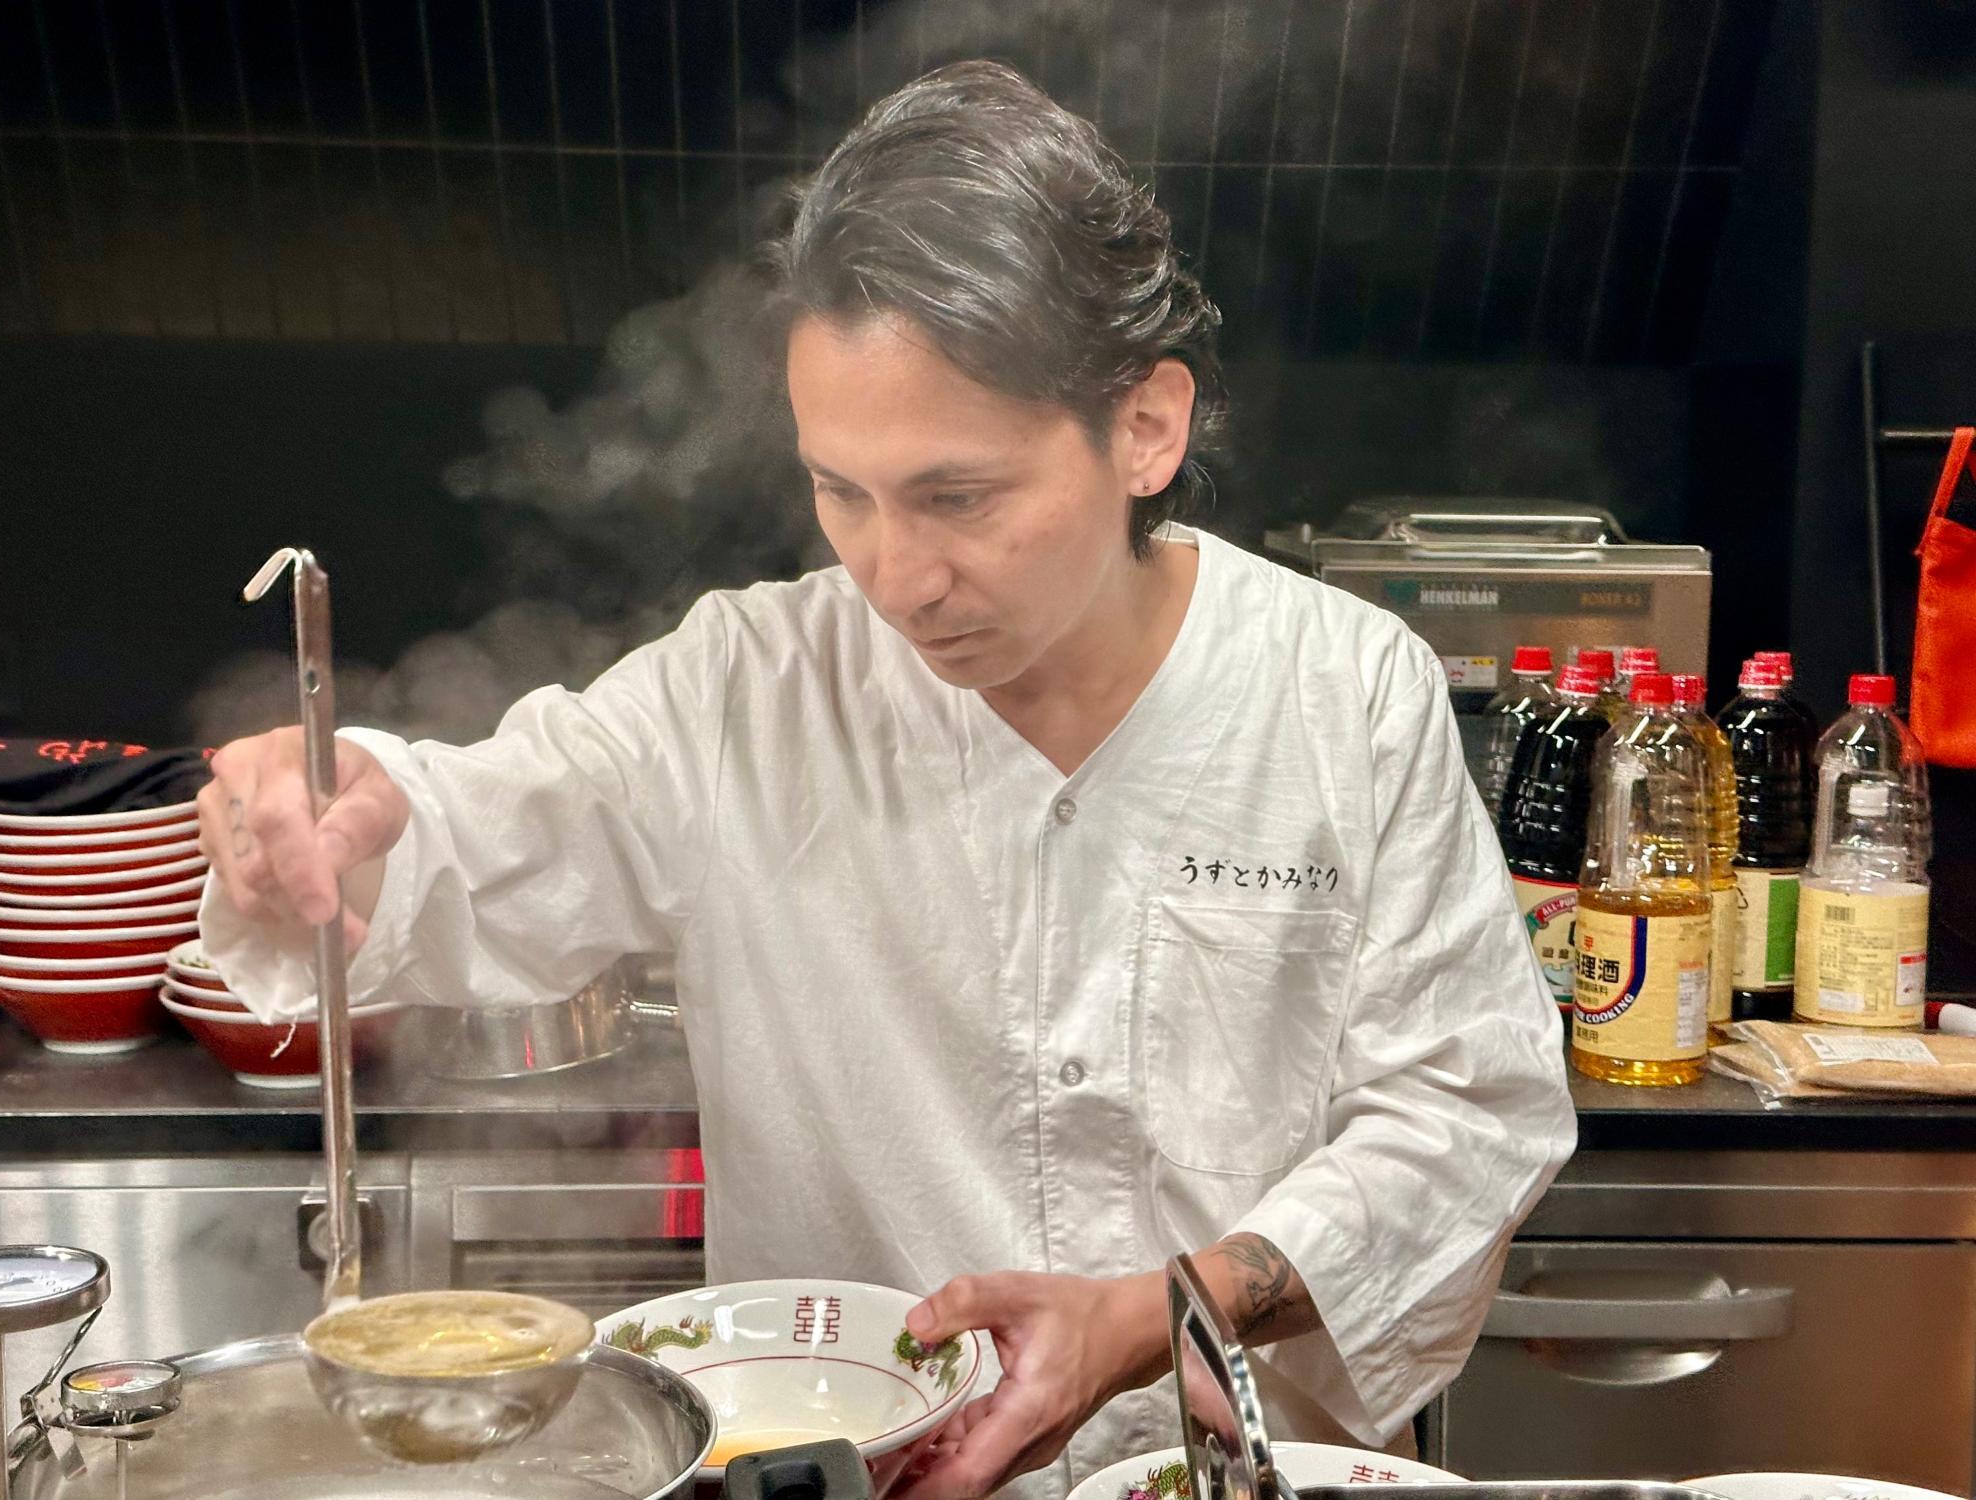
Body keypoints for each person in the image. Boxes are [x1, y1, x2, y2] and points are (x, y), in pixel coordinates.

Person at [197, 60, 1574, 1500]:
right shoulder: (744, 688)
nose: (895, 577)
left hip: (1243, 1474)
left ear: (1146, 430)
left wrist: (1160, 1310)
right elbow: (473, 829)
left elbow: (1466, 1111)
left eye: (957, 497)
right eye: (839, 491)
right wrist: (334, 818)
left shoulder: (1341, 691)